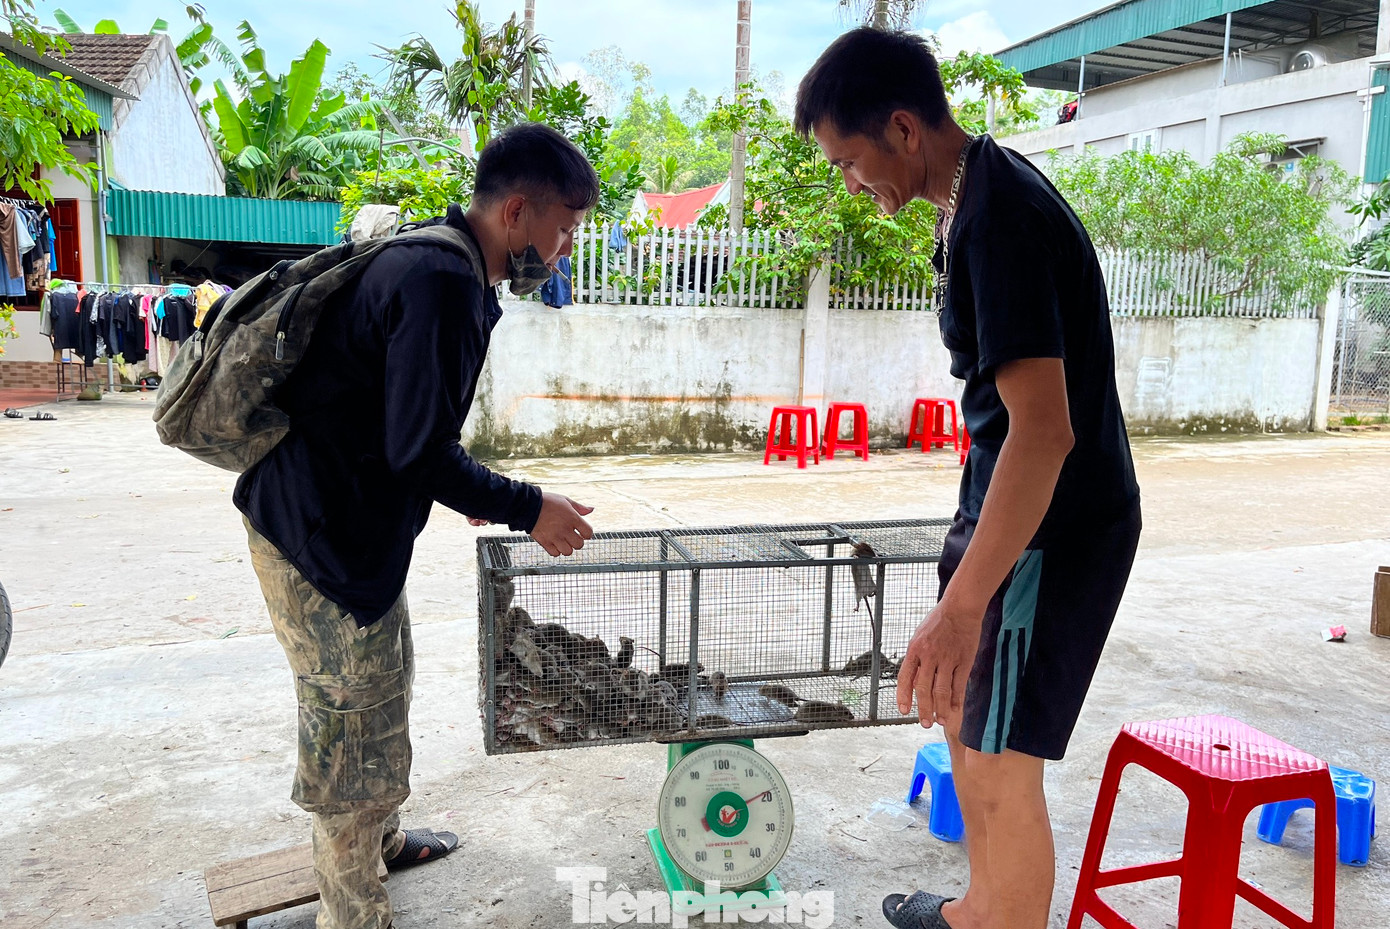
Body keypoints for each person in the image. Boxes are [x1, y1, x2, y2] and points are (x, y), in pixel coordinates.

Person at [794, 29, 1142, 929]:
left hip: (1054, 529)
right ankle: (977, 909)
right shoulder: (972, 197)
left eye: (848, 161)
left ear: (903, 129)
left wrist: (964, 604)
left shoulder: (1001, 220)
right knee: (966, 723)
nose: (850, 182)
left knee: (998, 755)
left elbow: (1045, 431)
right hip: (1005, 511)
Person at [234, 122, 600, 929]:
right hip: (316, 538)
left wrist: (459, 479)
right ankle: (353, 912)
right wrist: (528, 505)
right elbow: (415, 452)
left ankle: (385, 840)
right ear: (516, 212)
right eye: (564, 226)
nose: (567, 246)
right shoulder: (439, 278)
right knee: (349, 730)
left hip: (354, 530)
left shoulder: (451, 263)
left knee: (385, 682)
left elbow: (408, 424)